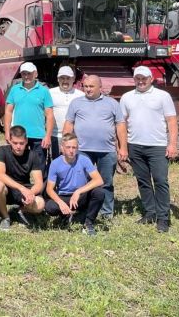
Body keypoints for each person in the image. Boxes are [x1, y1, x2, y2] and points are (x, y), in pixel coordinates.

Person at [120, 66, 178, 233]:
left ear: (151, 79)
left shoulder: (163, 96)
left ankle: (163, 217)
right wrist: (123, 146)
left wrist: (172, 144)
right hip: (135, 145)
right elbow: (121, 123)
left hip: (157, 146)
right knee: (143, 181)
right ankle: (150, 212)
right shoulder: (127, 97)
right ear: (134, 79)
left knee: (160, 181)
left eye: (144, 78)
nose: (141, 81)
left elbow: (172, 121)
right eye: (138, 77)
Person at [63, 74, 127, 220]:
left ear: (100, 87)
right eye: (85, 86)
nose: (88, 89)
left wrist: (123, 147)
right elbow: (69, 124)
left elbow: (120, 125)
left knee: (106, 182)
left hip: (106, 150)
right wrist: (67, 145)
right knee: (82, 181)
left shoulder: (112, 103)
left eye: (91, 86)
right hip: (83, 150)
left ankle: (106, 213)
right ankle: (83, 210)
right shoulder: (76, 103)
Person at [45, 133, 105, 235]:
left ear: (77, 148)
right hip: (64, 196)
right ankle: (67, 215)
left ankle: (88, 222)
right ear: (62, 148)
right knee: (50, 207)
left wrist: (78, 191)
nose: (71, 150)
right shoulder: (55, 163)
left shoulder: (84, 160)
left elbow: (99, 180)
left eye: (74, 147)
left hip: (81, 196)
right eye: (68, 147)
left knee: (99, 193)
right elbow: (49, 189)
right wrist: (60, 202)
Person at [0, 125, 45, 231]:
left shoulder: (33, 155)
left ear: (26, 141)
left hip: (24, 190)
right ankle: (5, 217)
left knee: (40, 204)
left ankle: (21, 210)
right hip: (7, 189)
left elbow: (39, 183)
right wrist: (21, 188)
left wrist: (30, 193)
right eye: (15, 143)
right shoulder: (2, 151)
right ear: (10, 141)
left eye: (21, 143)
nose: (18, 146)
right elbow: (0, 174)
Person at [4, 62, 54, 170]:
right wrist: (7, 131)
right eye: (24, 74)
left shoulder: (44, 91)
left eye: (29, 73)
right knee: (19, 166)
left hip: (38, 136)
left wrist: (48, 136)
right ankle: (21, 186)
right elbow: (8, 111)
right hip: (19, 135)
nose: (26, 76)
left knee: (39, 167)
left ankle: (40, 186)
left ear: (35, 74)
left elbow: (49, 115)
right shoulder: (14, 90)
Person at [49, 66, 84, 158]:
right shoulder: (50, 93)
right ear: (58, 79)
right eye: (62, 78)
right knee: (55, 162)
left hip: (74, 137)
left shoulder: (81, 95)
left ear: (73, 79)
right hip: (54, 135)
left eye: (68, 78)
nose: (65, 81)